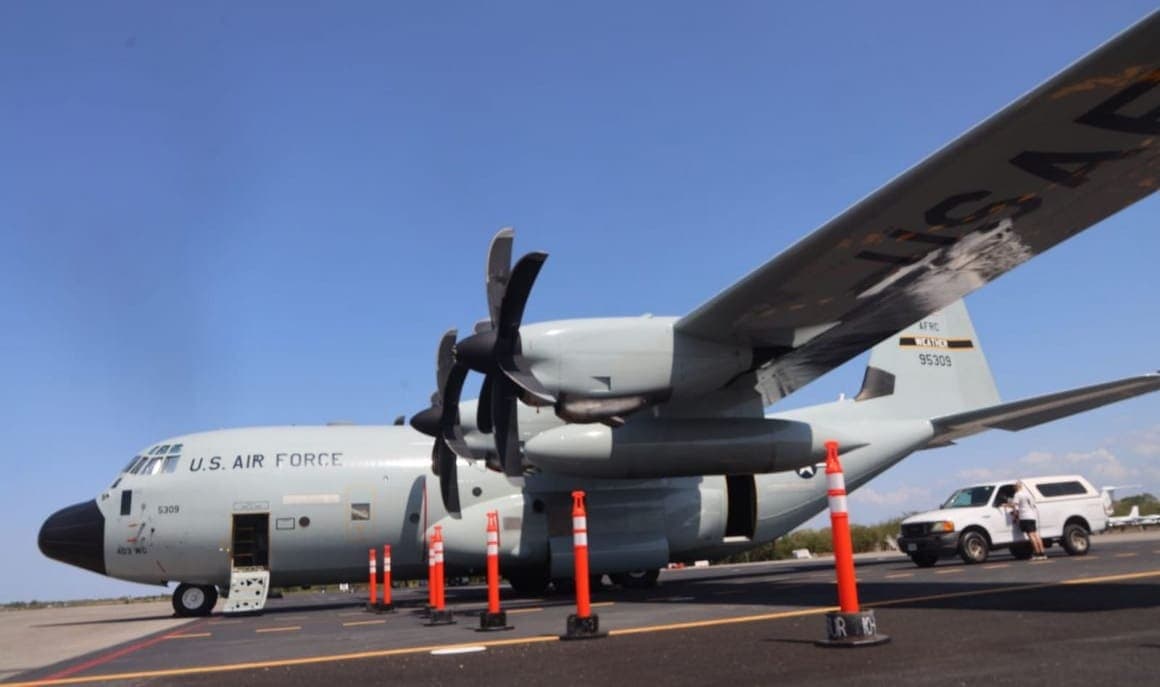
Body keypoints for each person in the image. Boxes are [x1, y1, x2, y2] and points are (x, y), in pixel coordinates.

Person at [1010, 481, 1046, 560]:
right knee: (1036, 535)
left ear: (1016, 487)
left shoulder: (1017, 495)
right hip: (1032, 516)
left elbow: (1015, 507)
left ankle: (1037, 553)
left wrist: (1015, 517)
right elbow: (1032, 504)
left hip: (1024, 517)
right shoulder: (1027, 494)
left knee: (1031, 536)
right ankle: (1042, 553)